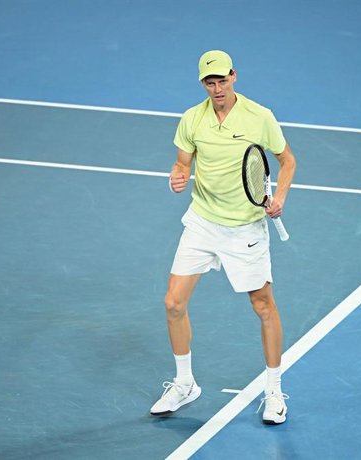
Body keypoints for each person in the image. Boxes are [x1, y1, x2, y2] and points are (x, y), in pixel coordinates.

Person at [149, 50, 296, 425]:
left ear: (233, 76)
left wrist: (278, 197)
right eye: (209, 82)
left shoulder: (259, 116)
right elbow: (183, 162)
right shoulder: (191, 119)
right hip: (202, 222)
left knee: (263, 306)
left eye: (222, 80)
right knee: (173, 304)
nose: (216, 88)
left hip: (245, 227)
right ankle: (184, 384)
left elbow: (287, 159)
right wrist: (178, 177)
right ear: (203, 83)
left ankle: (274, 391)